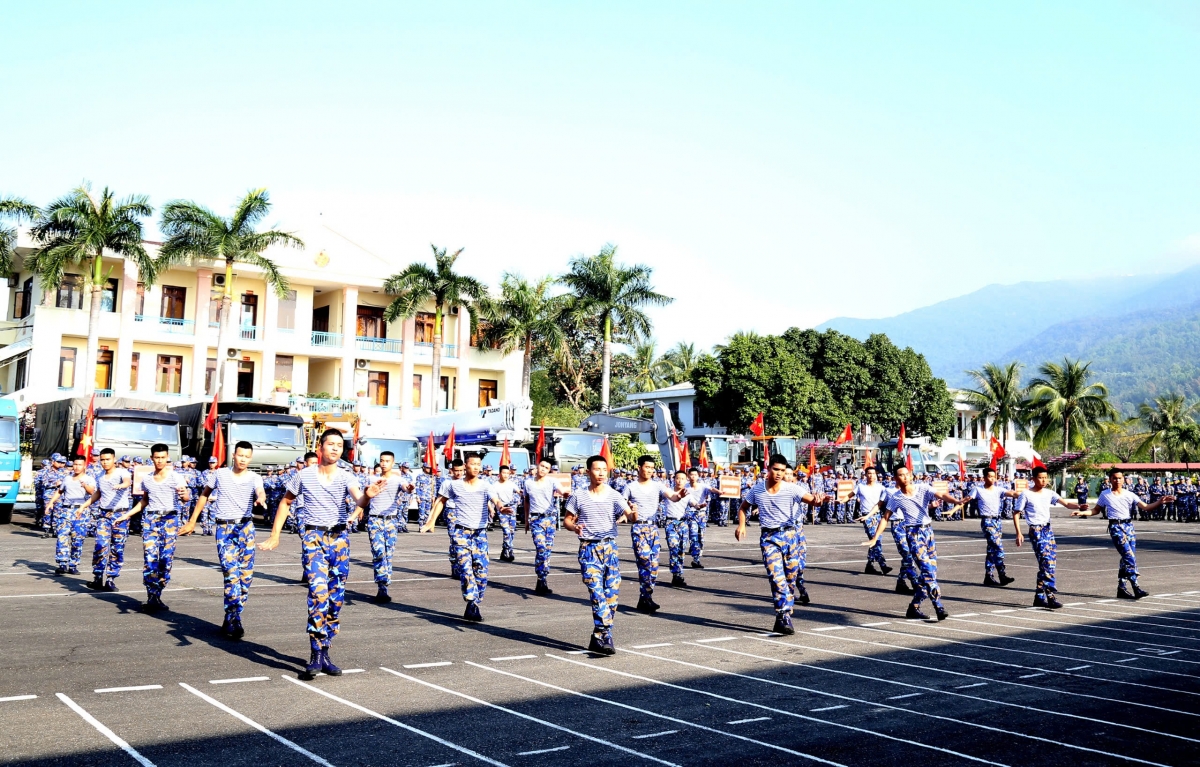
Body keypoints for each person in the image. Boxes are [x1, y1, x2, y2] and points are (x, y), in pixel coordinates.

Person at [259, 429, 365, 680]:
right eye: (331, 444)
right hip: (313, 538)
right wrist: (275, 535)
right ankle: (316, 652)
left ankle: (326, 651)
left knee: (335, 599)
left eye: (340, 445)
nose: (336, 449)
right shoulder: (304, 475)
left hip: (339, 540)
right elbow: (285, 502)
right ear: (321, 446)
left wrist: (367, 497)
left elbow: (359, 498)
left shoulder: (347, 476)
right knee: (318, 594)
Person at [180, 441, 265, 638]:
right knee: (231, 574)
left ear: (250, 458)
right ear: (233, 455)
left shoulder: (254, 477)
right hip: (225, 529)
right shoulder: (220, 474)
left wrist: (261, 498)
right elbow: (203, 496)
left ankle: (234, 615)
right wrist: (193, 521)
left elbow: (260, 491)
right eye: (240, 455)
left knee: (246, 577)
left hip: (245, 528)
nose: (243, 459)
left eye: (247, 456)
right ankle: (233, 617)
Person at [737, 454, 826, 635]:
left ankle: (785, 609)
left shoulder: (792, 489)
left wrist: (818, 500)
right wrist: (741, 525)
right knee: (777, 578)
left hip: (791, 536)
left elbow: (811, 500)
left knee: (790, 578)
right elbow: (743, 507)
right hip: (769, 538)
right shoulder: (757, 490)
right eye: (775, 469)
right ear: (768, 469)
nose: (779, 473)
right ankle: (783, 615)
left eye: (782, 470)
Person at [863, 465, 963, 621]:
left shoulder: (923, 488)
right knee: (927, 570)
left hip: (928, 532)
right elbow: (885, 517)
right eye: (901, 475)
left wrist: (957, 500)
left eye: (906, 474)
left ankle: (914, 607)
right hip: (913, 534)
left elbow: (942, 495)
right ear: (896, 478)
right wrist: (875, 538)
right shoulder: (896, 497)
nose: (905, 477)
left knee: (929, 573)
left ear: (910, 475)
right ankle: (938, 606)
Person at [563, 454, 632, 655]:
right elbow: (567, 520)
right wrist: (574, 527)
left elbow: (630, 514)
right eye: (597, 469)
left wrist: (634, 514)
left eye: (604, 469)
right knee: (596, 592)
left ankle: (598, 637)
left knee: (612, 596)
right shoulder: (579, 495)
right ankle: (605, 633)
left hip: (609, 549)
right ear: (588, 471)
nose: (601, 473)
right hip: (589, 549)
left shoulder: (613, 494)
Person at [1072, 468, 1173, 599]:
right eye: (1114, 478)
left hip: (1129, 526)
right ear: (1110, 479)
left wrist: (1160, 502)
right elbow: (1096, 510)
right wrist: (1082, 513)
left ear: (1123, 479)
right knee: (1129, 556)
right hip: (1116, 526)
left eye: (1120, 478)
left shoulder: (1129, 494)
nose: (1117, 480)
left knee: (1127, 557)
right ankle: (1136, 587)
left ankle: (1121, 588)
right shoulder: (1105, 494)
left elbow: (1146, 507)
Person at [115, 445, 190, 613]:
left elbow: (186, 498)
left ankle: (159, 589)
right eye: (157, 457)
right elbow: (144, 501)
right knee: (150, 559)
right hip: (150, 520)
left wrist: (184, 494)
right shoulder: (147, 479)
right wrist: (127, 515)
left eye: (163, 457)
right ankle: (152, 596)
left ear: (167, 457)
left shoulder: (176, 477)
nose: (160, 460)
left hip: (169, 519)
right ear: (152, 458)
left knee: (165, 560)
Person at [421, 453, 493, 622]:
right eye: (473, 464)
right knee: (466, 570)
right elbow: (440, 502)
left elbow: (494, 498)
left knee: (481, 573)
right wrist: (430, 521)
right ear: (466, 466)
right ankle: (470, 603)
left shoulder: (485, 484)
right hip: (461, 533)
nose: (476, 467)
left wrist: (499, 506)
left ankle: (476, 601)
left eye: (478, 464)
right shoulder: (452, 485)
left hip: (480, 534)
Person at [1013, 466, 1089, 609]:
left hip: (1048, 530)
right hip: (1036, 530)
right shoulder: (1026, 494)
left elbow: (1066, 503)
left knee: (1049, 562)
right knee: (1048, 563)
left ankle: (1039, 596)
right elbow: (1016, 512)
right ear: (1034, 479)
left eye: (1045, 477)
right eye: (1040, 477)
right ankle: (1050, 595)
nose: (1043, 480)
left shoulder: (1049, 493)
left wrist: (1080, 506)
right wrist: (1019, 532)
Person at [622, 455, 687, 613]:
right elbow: (622, 504)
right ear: (639, 467)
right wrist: (626, 513)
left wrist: (679, 496)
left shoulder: (658, 485)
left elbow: (672, 496)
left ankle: (645, 597)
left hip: (653, 529)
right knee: (644, 562)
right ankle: (645, 598)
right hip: (639, 528)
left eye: (652, 468)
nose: (650, 470)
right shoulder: (630, 486)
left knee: (654, 566)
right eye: (647, 467)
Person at [361, 451, 415, 604]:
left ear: (393, 463)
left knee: (388, 554)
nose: (384, 463)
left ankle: (385, 583)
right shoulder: (372, 479)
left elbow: (405, 487)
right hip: (375, 520)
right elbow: (365, 492)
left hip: (391, 521)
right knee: (378, 552)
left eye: (387, 461)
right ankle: (381, 586)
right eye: (382, 461)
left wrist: (410, 488)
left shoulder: (398, 480)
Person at [85, 448, 133, 592]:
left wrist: (121, 485)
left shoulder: (122, 472)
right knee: (100, 545)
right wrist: (84, 506)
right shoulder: (99, 475)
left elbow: (127, 482)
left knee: (117, 548)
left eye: (108, 459)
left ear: (114, 459)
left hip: (120, 516)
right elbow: (98, 494)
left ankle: (111, 578)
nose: (105, 462)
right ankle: (98, 577)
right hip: (104, 515)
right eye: (102, 460)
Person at [46, 456, 98, 576]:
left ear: (84, 466)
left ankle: (73, 564)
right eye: (75, 464)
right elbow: (60, 491)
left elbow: (93, 492)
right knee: (62, 536)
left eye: (79, 464)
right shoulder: (67, 478)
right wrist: (50, 503)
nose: (76, 467)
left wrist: (85, 485)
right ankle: (62, 563)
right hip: (66, 510)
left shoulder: (89, 479)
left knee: (77, 539)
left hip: (80, 511)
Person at [523, 458, 564, 595]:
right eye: (541, 466)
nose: (543, 469)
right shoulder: (528, 483)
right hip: (536, 519)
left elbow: (561, 490)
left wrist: (564, 493)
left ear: (549, 470)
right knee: (540, 548)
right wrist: (526, 521)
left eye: (546, 468)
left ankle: (542, 579)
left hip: (550, 519)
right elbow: (526, 501)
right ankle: (541, 576)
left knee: (547, 550)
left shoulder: (552, 481)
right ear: (537, 466)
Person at [971, 467, 1016, 588]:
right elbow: (966, 500)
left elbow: (1012, 493)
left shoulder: (998, 489)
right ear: (984, 477)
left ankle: (989, 576)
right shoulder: (978, 489)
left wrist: (1027, 493)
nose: (992, 478)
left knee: (992, 549)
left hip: (997, 521)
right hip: (987, 520)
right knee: (998, 546)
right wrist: (954, 507)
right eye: (990, 476)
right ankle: (1002, 574)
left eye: (994, 476)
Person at [853, 466, 892, 576]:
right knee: (876, 541)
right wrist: (841, 500)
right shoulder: (860, 486)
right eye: (869, 473)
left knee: (874, 540)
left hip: (878, 516)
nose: (871, 475)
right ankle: (883, 566)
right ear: (865, 475)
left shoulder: (881, 487)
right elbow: (850, 495)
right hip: (867, 517)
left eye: (873, 473)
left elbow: (888, 495)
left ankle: (869, 565)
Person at [662, 470, 695, 588]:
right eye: (677, 478)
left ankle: (679, 574)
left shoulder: (688, 493)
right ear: (673, 479)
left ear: (686, 480)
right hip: (671, 523)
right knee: (674, 548)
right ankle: (675, 574)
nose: (679, 480)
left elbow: (694, 503)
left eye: (682, 478)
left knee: (681, 550)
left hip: (683, 523)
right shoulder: (668, 492)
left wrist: (699, 505)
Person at [489, 464, 521, 563]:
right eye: (504, 473)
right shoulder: (495, 485)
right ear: (499, 474)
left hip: (511, 509)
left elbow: (519, 491)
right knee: (506, 531)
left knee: (511, 531)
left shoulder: (511, 484)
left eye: (507, 473)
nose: (506, 475)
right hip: (502, 509)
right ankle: (509, 551)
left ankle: (505, 550)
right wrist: (491, 509)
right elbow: (490, 498)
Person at [685, 466, 715, 569]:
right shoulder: (685, 487)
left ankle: (698, 553)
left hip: (702, 514)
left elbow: (712, 489)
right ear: (688, 476)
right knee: (693, 536)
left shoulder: (703, 486)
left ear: (698, 476)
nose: (693, 476)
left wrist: (719, 492)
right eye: (691, 474)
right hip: (690, 513)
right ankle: (695, 559)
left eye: (695, 475)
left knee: (701, 537)